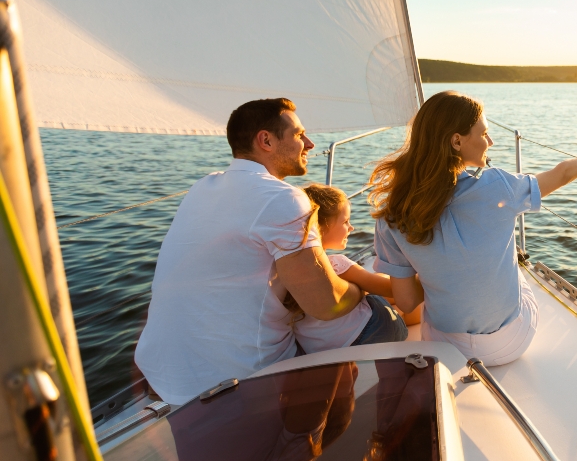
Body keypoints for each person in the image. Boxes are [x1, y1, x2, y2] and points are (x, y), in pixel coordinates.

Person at [135, 98, 404, 406]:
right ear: (266, 140)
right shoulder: (283, 198)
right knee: (381, 315)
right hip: (242, 377)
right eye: (299, 134)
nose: (310, 143)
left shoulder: (203, 186)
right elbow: (325, 303)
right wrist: (361, 290)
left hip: (163, 371)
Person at [369, 91, 577, 365]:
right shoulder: (498, 186)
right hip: (510, 342)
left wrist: (441, 275)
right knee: (515, 264)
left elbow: (406, 303)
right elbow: (560, 174)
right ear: (457, 141)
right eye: (484, 134)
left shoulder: (392, 216)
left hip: (445, 348)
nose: (490, 142)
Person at [289, 184, 417, 354]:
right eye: (345, 222)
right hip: (372, 334)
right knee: (396, 303)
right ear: (321, 227)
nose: (351, 228)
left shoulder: (287, 270)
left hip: (318, 349)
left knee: (371, 285)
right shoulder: (337, 265)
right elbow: (394, 290)